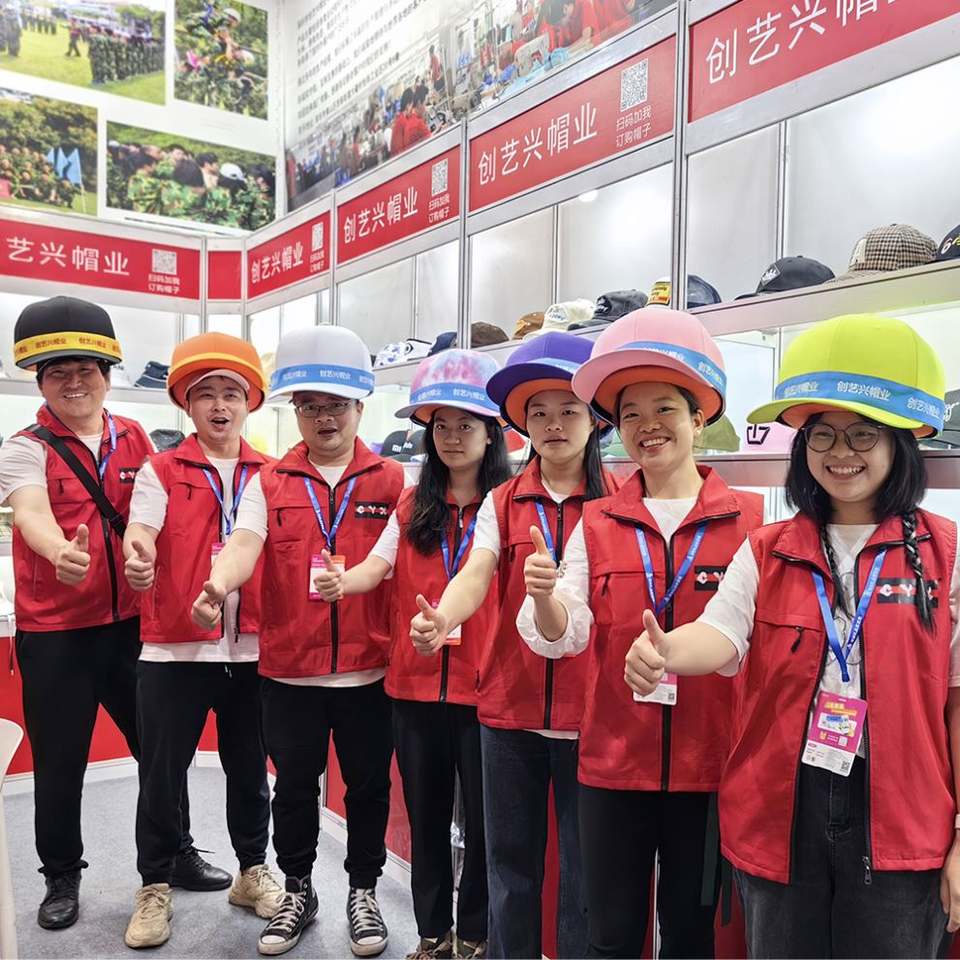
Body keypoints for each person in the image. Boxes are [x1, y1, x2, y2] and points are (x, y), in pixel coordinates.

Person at [624, 314, 960, 959]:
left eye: (862, 434)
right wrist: (666, 651)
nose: (840, 452)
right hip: (780, 803)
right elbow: (720, 633)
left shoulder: (946, 552)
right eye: (822, 434)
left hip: (903, 811)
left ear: (898, 443)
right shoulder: (769, 548)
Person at [517, 309, 764, 959]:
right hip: (611, 765)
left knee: (690, 936)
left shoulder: (752, 522)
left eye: (664, 409)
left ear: (699, 417)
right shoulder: (597, 522)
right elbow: (566, 631)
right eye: (630, 414)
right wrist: (542, 598)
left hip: (710, 766)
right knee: (611, 936)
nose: (647, 426)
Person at [0, 297, 225, 933]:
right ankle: (60, 876)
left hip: (133, 627)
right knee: (60, 761)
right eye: (58, 372)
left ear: (106, 373)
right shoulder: (23, 448)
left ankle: (175, 852)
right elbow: (31, 513)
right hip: (56, 633)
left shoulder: (134, 437)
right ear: (39, 381)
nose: (74, 382)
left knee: (160, 752)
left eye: (86, 370)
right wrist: (58, 553)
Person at [191, 326, 403, 958]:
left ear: (359, 406)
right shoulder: (270, 480)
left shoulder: (392, 479)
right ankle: (299, 890)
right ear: (295, 411)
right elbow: (245, 542)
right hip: (288, 671)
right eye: (309, 406)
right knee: (292, 790)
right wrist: (217, 583)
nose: (323, 417)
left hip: (369, 669)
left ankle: (363, 892)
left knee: (367, 789)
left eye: (336, 405)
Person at [410, 333, 616, 958]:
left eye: (568, 411)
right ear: (521, 424)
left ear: (595, 420)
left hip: (591, 715)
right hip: (507, 710)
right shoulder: (502, 501)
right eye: (538, 413)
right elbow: (476, 571)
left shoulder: (617, 504)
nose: (553, 425)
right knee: (508, 867)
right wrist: (443, 617)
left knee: (586, 876)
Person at [314, 351, 511, 960]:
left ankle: (474, 935)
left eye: (466, 425)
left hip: (486, 690)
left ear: (490, 433)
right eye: (441, 426)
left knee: (484, 825)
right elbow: (378, 564)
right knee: (426, 820)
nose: (452, 437)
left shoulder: (508, 506)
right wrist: (344, 582)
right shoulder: (411, 505)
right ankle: (432, 934)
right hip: (415, 687)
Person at [121, 334, 282, 949]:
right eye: (206, 394)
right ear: (187, 405)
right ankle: (154, 885)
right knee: (162, 774)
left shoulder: (272, 474)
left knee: (251, 770)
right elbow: (141, 529)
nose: (219, 405)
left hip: (252, 649)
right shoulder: (161, 470)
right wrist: (139, 554)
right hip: (173, 648)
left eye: (231, 394)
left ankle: (251, 870)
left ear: (250, 402)